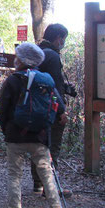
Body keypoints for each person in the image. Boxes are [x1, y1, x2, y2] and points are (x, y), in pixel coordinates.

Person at [0, 42, 68, 208]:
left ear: (21, 60)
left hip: (15, 136)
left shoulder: (13, 80)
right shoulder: (47, 80)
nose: (15, 59)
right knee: (47, 175)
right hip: (40, 136)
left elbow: (2, 110)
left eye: (17, 56)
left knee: (15, 175)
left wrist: (7, 130)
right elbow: (59, 106)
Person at [31, 24, 70, 194]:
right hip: (51, 109)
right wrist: (61, 111)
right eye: (64, 38)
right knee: (52, 147)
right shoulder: (53, 56)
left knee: (38, 145)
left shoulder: (37, 53)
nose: (63, 42)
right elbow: (53, 86)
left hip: (35, 108)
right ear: (58, 37)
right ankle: (50, 188)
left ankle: (38, 184)